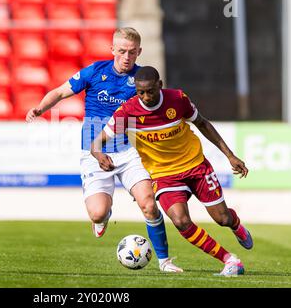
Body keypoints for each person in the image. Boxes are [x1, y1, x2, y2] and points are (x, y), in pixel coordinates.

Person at [26, 28, 182, 272]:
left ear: (139, 52)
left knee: (149, 204)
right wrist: (40, 108)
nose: (126, 57)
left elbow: (160, 109)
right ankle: (104, 216)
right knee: (97, 213)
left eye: (132, 52)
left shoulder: (142, 80)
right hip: (93, 151)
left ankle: (164, 261)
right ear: (112, 50)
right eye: (121, 51)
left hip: (130, 151)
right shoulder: (96, 71)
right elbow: (59, 91)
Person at [91, 66, 253, 276]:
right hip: (164, 175)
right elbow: (97, 141)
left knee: (222, 219)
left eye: (150, 90)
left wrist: (230, 156)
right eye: (141, 92)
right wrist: (98, 154)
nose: (146, 96)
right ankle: (229, 260)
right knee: (180, 220)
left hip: (196, 166)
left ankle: (236, 225)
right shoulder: (128, 111)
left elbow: (202, 123)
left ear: (160, 85)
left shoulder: (177, 99)